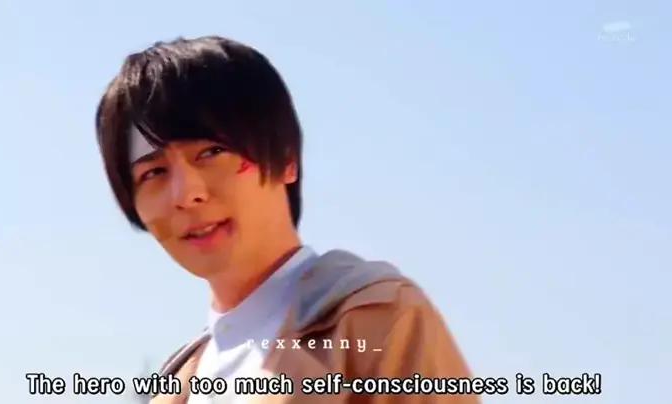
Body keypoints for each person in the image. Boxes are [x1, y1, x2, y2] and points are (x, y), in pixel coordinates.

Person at [95, 36, 480, 404]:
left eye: (212, 152)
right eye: (154, 173)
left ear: (286, 159)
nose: (186, 194)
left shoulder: (379, 319)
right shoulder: (178, 381)